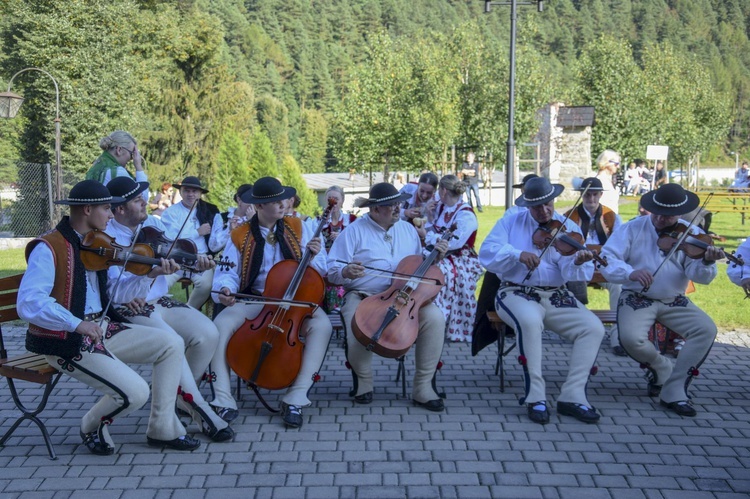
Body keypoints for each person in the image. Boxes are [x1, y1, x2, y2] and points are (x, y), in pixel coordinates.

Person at [17, 180, 201, 454]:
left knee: (170, 343)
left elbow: (116, 294)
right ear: (88, 210)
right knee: (136, 392)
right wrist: (77, 323)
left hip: (102, 328)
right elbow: (29, 302)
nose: (112, 215)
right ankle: (91, 424)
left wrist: (150, 274)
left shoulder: (98, 245)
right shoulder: (50, 247)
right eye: (106, 208)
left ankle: (163, 427)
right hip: (65, 338)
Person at [104, 176, 234, 442]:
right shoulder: (107, 239)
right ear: (119, 209)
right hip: (132, 307)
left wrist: (195, 262)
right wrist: (150, 274)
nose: (145, 204)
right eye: (138, 201)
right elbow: (115, 291)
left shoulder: (151, 224)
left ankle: (179, 396)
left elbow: (176, 252)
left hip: (159, 300)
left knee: (208, 332)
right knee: (173, 342)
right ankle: (200, 409)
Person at [478, 176, 604, 424]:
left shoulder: (569, 228)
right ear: (527, 205)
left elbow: (572, 273)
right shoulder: (511, 222)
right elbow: (487, 252)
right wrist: (517, 254)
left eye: (548, 204)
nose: (545, 211)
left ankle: (573, 396)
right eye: (537, 207)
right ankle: (535, 397)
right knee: (529, 321)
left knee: (593, 328)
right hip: (515, 291)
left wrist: (577, 262)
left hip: (557, 295)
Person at [211, 177, 332, 428]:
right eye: (275, 202)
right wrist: (225, 289)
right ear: (260, 207)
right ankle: (222, 399)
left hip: (295, 303)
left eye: (282, 200)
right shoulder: (240, 234)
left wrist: (315, 256)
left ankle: (296, 396)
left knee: (322, 326)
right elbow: (227, 272)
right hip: (256, 299)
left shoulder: (300, 227)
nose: (282, 205)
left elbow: (322, 270)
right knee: (220, 325)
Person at [599, 183, 720, 417]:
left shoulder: (691, 234)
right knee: (630, 339)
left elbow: (700, 277)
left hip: (674, 299)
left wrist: (706, 261)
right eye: (658, 213)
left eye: (669, 215)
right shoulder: (633, 228)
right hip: (637, 296)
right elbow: (608, 258)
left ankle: (675, 391)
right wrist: (629, 273)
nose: (662, 219)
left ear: (680, 213)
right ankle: (660, 366)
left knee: (705, 329)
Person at [327, 182, 449, 411]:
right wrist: (345, 271)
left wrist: (434, 259)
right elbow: (332, 269)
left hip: (404, 297)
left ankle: (423, 387)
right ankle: (363, 381)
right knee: (354, 319)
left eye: (399, 204)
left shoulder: (408, 229)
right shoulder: (353, 231)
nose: (398, 209)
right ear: (374, 210)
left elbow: (416, 267)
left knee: (434, 317)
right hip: (365, 295)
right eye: (391, 205)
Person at [564, 177, 625, 356]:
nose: (591, 199)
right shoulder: (569, 216)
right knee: (573, 281)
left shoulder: (611, 216)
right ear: (582, 195)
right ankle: (580, 332)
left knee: (618, 286)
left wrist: (605, 258)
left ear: (600, 195)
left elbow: (619, 244)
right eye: (587, 195)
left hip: (603, 263)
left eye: (595, 195)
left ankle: (618, 338)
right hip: (579, 261)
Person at [416, 175, 481, 342]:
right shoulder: (444, 207)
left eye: (439, 191)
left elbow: (453, 243)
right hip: (441, 253)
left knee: (437, 274)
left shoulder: (466, 215)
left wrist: (426, 235)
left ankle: (441, 321)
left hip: (461, 259)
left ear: (443, 191)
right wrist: (429, 218)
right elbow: (438, 231)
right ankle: (422, 319)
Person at [160, 176, 218, 309]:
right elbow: (170, 238)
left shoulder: (207, 211)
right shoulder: (171, 212)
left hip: (200, 258)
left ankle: (189, 309)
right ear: (180, 192)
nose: (190, 194)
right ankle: (161, 310)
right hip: (176, 257)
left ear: (200, 194)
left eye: (194, 191)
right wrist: (196, 232)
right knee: (160, 281)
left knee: (206, 284)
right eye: (187, 191)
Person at [319, 185, 357, 312]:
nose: (333, 202)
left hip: (344, 263)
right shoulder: (319, 221)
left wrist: (342, 237)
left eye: (336, 198)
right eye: (330, 198)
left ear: (342, 201)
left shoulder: (351, 220)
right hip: (325, 264)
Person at [86, 131, 149, 203]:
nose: (132, 159)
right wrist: (138, 167)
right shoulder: (117, 171)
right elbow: (142, 199)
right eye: (132, 154)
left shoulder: (97, 164)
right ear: (119, 150)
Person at [209, 183, 255, 255]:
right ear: (239, 200)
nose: (253, 205)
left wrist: (253, 223)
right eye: (249, 200)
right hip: (225, 263)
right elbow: (213, 247)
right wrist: (230, 231)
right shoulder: (222, 217)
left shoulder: (258, 219)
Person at [594, 149, 621, 214]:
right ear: (607, 163)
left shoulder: (608, 180)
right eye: (616, 164)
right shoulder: (600, 181)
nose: (618, 166)